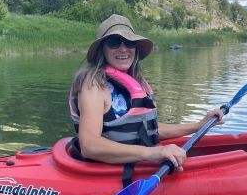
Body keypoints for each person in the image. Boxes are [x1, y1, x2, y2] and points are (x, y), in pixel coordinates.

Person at [69, 14, 224, 180]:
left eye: (129, 42)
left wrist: (200, 125)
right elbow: (89, 145)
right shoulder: (93, 85)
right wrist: (153, 152)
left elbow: (148, 128)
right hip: (107, 175)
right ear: (102, 49)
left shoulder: (135, 82)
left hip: (137, 165)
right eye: (114, 42)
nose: (123, 49)